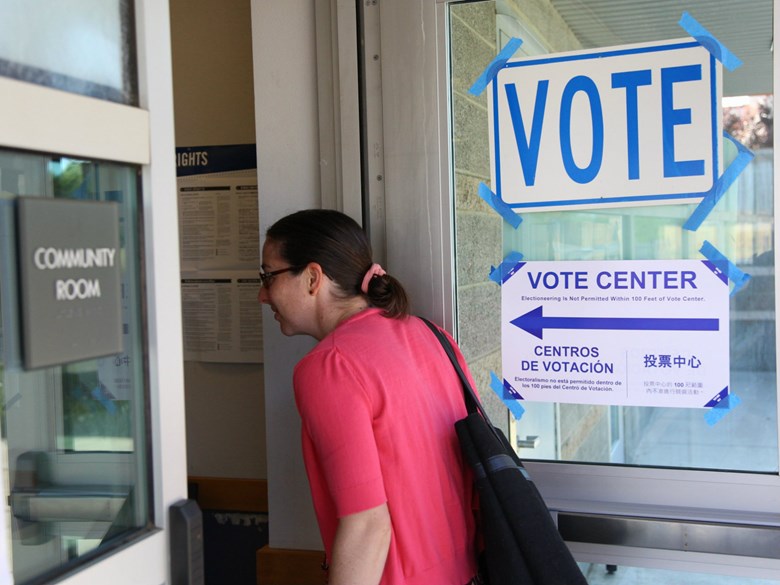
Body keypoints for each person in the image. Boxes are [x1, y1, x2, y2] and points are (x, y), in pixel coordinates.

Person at [258, 209, 479, 585]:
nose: (263, 295)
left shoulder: (329, 367)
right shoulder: (429, 334)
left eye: (268, 276)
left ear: (313, 277)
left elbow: (367, 527)